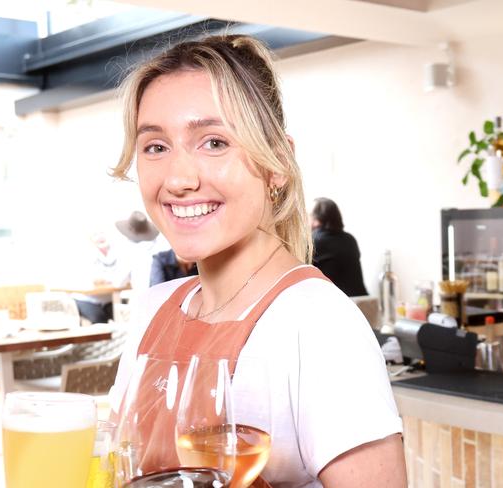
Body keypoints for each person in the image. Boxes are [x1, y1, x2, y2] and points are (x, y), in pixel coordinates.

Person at [108, 35, 407, 486]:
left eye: (213, 142)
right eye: (155, 147)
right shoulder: (154, 308)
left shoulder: (319, 324)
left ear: (277, 164)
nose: (178, 179)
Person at [310, 197, 369, 297]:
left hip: (337, 305)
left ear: (317, 220)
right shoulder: (350, 239)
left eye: (309, 215)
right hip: (362, 304)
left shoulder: (314, 242)